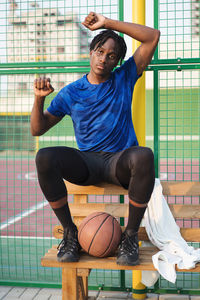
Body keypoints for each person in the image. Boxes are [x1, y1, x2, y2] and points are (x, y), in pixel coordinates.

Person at [31, 12, 160, 266]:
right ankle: (70, 233)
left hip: (118, 163)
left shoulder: (124, 78)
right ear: (91, 52)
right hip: (87, 164)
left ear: (117, 62)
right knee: (44, 156)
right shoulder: (72, 92)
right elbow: (38, 129)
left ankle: (130, 236)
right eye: (100, 51)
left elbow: (152, 37)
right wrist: (39, 99)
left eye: (111, 56)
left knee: (143, 154)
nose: (104, 59)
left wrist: (108, 24)